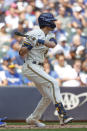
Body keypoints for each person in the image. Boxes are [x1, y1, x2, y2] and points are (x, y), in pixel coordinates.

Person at [19, 12, 73, 127]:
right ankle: (62, 115)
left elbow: (52, 45)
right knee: (53, 83)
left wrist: (40, 41)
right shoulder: (33, 33)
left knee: (47, 97)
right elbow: (21, 53)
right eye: (52, 21)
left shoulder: (50, 35)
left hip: (39, 67)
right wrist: (30, 44)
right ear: (46, 22)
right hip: (30, 66)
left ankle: (32, 119)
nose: (54, 23)